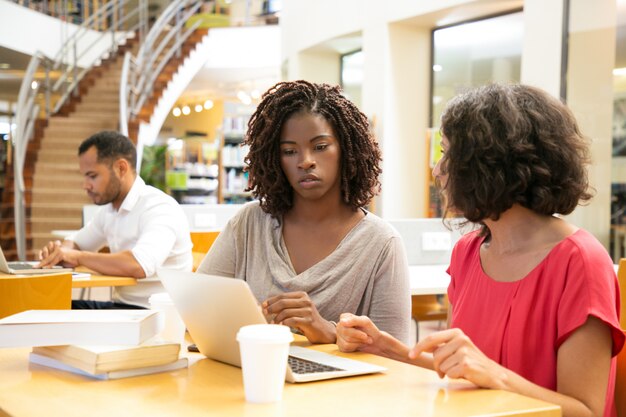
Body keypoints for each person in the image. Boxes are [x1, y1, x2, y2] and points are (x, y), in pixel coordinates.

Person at [336, 84, 625, 417]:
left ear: (492, 163)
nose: (437, 170)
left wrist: (494, 373)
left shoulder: (580, 262)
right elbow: (466, 370)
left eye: (447, 154)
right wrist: (388, 348)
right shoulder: (468, 253)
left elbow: (586, 410)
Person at [197, 80, 411, 344]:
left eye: (320, 146)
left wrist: (327, 331)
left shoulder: (381, 243)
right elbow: (198, 310)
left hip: (340, 385)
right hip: (252, 377)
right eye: (289, 151)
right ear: (275, 159)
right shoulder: (248, 224)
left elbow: (398, 355)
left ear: (346, 149)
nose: (305, 160)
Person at [37, 131, 193, 309]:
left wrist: (78, 257)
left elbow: (139, 264)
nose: (85, 185)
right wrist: (60, 251)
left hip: (156, 315)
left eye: (92, 176)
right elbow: (77, 243)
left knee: (55, 314)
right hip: (124, 308)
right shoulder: (110, 210)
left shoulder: (159, 207)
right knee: (49, 307)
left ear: (121, 168)